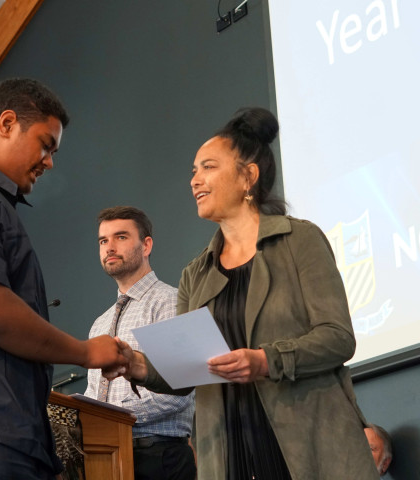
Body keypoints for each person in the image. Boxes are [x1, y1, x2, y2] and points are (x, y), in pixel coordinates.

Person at [105, 107, 380, 479]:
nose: (195, 180)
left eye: (208, 167)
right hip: (231, 452)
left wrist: (266, 360)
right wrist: (137, 364)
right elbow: (187, 371)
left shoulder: (300, 240)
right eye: (193, 171)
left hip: (308, 444)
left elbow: (338, 338)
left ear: (248, 176)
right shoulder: (195, 274)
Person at [0, 78, 127, 480]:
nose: (50, 161)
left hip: (11, 438)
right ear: (7, 123)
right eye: (45, 144)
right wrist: (85, 352)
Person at [84, 206, 196, 480]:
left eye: (121, 237)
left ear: (146, 245)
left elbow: (177, 393)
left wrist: (112, 419)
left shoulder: (173, 302)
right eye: (103, 240)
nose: (109, 247)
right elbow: (92, 391)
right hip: (107, 457)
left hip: (159, 458)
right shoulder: (100, 322)